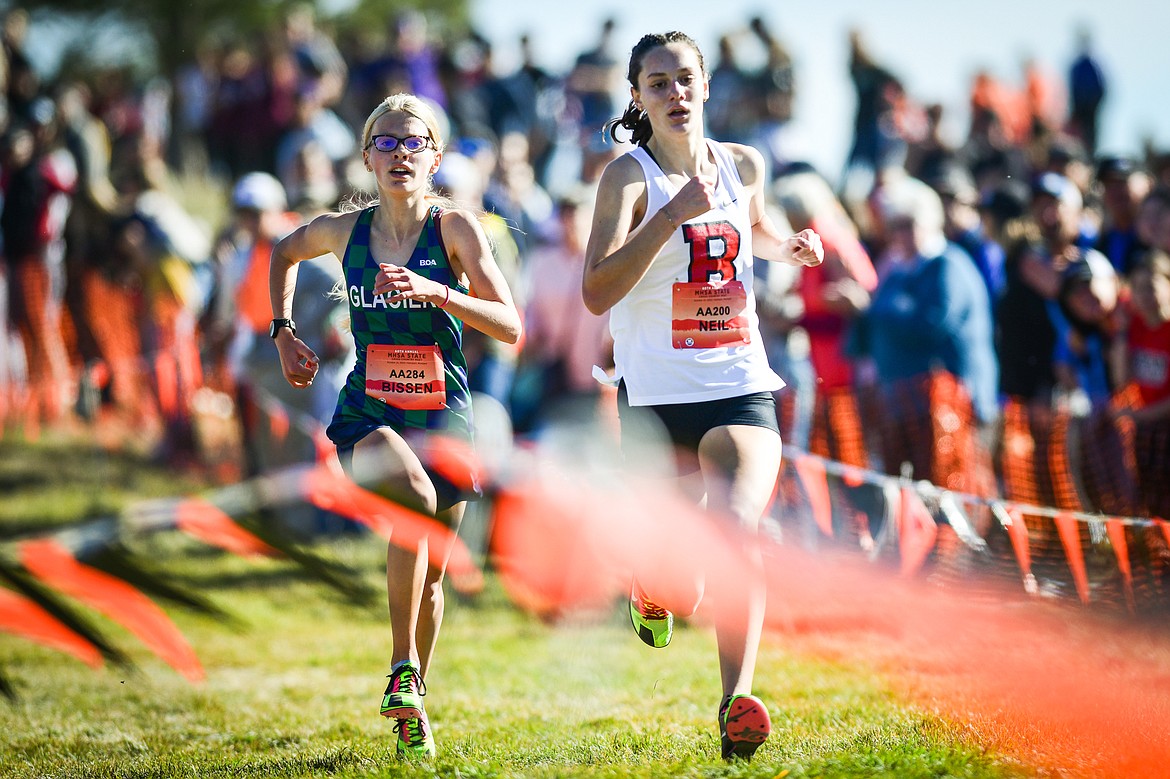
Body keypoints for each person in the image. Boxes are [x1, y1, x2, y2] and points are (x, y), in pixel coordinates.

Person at [581, 31, 823, 762]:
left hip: (738, 381)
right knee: (681, 579)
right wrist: (668, 215)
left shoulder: (743, 164)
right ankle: (649, 580)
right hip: (655, 397)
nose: (675, 94)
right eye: (658, 84)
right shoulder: (628, 178)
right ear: (638, 98)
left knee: (738, 526)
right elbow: (597, 293)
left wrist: (791, 248)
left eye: (685, 79)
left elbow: (751, 231)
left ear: (707, 85)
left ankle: (735, 699)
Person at [268, 93, 522, 759]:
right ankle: (401, 667)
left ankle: (414, 703)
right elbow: (282, 252)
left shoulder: (458, 229)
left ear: (435, 156)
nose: (401, 152)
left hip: (445, 413)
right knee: (413, 496)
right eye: (387, 141)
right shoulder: (341, 230)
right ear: (367, 156)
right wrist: (283, 331)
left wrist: (440, 292)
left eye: (415, 142)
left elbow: (512, 325)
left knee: (435, 573)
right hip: (370, 412)